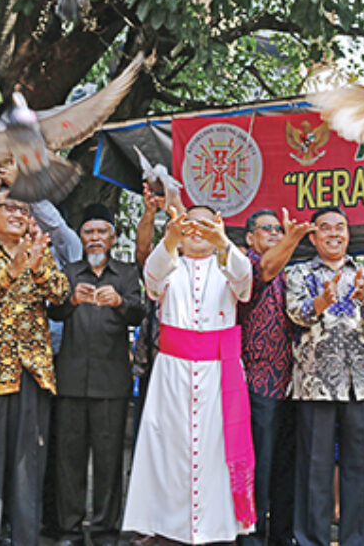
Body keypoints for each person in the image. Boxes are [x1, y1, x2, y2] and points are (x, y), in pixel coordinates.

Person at [122, 204, 255, 545]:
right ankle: (166, 524)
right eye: (189, 225)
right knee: (169, 449)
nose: (198, 231)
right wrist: (169, 241)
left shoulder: (229, 264)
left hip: (218, 375)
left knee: (216, 453)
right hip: (173, 373)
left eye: (206, 225)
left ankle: (217, 526)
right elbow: (152, 280)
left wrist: (223, 243)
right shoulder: (170, 264)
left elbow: (244, 284)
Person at [0, 186, 69, 546]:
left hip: (31, 372)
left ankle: (24, 539)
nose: (19, 214)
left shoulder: (40, 252)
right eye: (10, 208)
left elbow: (61, 294)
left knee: (27, 468)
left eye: (24, 209)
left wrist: (36, 268)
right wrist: (12, 270)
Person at [285, 206, 364, 546]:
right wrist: (321, 302)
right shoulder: (298, 272)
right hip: (315, 383)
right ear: (314, 237)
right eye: (325, 228)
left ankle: (359, 538)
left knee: (361, 466)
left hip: (360, 383)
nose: (334, 233)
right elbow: (295, 314)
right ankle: (310, 539)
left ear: (348, 234)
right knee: (314, 467)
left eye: (340, 227)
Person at [48, 204, 145, 546]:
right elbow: (53, 311)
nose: (94, 239)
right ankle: (70, 530)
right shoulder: (70, 272)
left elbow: (139, 314)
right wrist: (70, 300)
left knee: (109, 461)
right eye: (88, 232)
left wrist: (120, 302)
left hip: (111, 381)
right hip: (71, 379)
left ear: (112, 236)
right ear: (82, 237)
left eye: (101, 232)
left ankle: (105, 530)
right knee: (68, 462)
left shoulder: (127, 273)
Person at [237, 208, 314, 546]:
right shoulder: (245, 265)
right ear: (250, 238)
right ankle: (252, 535)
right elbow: (263, 273)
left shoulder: (292, 273)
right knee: (258, 467)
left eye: (279, 229)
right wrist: (293, 240)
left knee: (287, 466)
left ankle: (282, 535)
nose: (274, 233)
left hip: (292, 383)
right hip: (257, 382)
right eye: (266, 229)